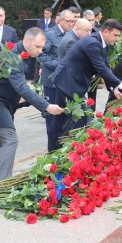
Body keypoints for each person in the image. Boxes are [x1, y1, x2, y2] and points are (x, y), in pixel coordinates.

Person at [0, 28, 64, 189]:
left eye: (42, 47)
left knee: (2, 143)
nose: (40, 51)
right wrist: (46, 106)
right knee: (10, 139)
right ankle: (1, 188)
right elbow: (22, 87)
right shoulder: (11, 57)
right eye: (37, 47)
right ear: (26, 41)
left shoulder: (23, 54)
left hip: (2, 103)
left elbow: (17, 86)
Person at [52, 19, 122, 137]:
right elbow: (101, 69)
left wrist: (113, 87)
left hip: (72, 82)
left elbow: (106, 66)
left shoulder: (102, 43)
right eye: (115, 35)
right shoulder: (93, 43)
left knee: (70, 119)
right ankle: (65, 145)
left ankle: (64, 144)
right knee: (74, 119)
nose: (117, 39)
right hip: (67, 82)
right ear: (106, 32)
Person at [40, 9, 76, 152]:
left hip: (65, 82)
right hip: (52, 82)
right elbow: (42, 54)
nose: (71, 24)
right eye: (68, 21)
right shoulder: (50, 35)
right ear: (59, 20)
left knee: (64, 117)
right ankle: (52, 150)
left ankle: (61, 147)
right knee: (52, 117)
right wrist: (59, 65)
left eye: (73, 21)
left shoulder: (71, 35)